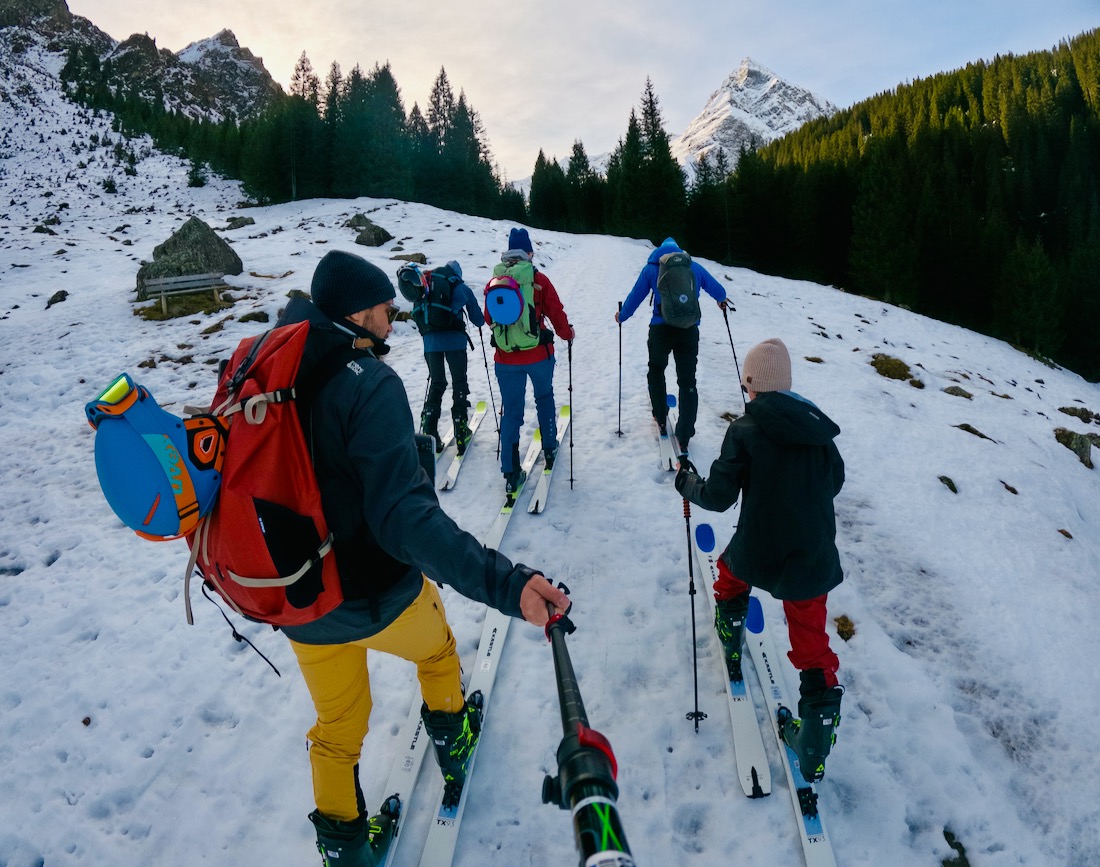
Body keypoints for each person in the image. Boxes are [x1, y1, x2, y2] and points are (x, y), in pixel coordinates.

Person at [274, 249, 570, 867]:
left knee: (337, 729)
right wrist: (506, 583)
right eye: (385, 307)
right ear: (358, 312)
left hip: (301, 600)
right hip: (378, 592)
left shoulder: (273, 373)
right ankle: (454, 743)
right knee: (437, 653)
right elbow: (406, 521)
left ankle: (348, 853)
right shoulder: (368, 383)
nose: (392, 318)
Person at [674, 337, 845, 784]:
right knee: (811, 639)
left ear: (751, 385)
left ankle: (730, 634)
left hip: (760, 544)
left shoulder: (745, 430)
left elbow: (718, 496)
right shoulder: (817, 429)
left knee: (731, 572)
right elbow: (835, 482)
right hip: (811, 555)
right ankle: (813, 739)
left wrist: (687, 484)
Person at [616, 237, 729, 456]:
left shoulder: (651, 269)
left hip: (660, 329)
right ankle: (685, 435)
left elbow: (635, 297)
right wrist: (721, 299)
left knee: (656, 370)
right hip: (688, 331)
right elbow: (718, 290)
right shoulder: (693, 267)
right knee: (688, 381)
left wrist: (622, 316)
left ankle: (660, 416)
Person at [485, 227, 575, 495]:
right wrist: (566, 334)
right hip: (538, 355)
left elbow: (490, 319)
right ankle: (549, 447)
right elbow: (556, 313)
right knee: (544, 398)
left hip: (505, 358)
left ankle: (511, 471)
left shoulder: (495, 281)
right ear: (528, 252)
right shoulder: (538, 280)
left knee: (512, 411)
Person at [415, 259, 485, 454]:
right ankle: (461, 430)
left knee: (437, 383)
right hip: (455, 342)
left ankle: (430, 429)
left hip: (431, 343)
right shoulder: (460, 287)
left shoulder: (427, 283)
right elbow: (478, 320)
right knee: (459, 382)